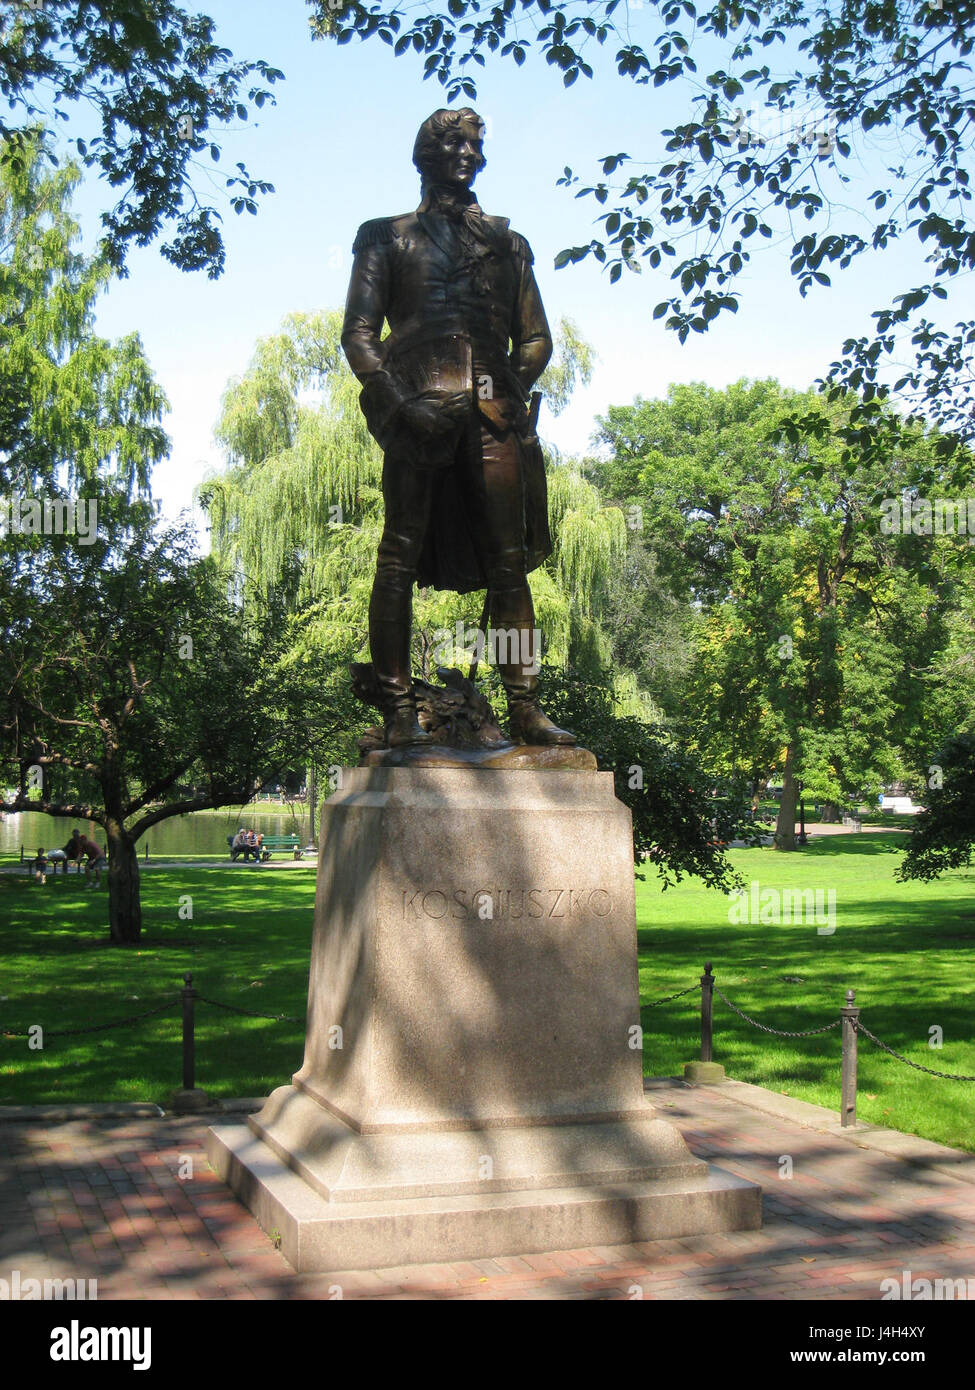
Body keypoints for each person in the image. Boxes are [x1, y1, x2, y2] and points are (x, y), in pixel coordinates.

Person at [342, 107, 575, 749]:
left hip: (494, 417)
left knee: (509, 565)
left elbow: (536, 338)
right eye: (452, 142)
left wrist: (511, 391)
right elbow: (359, 336)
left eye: (474, 144)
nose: (466, 153)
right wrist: (396, 403)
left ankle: (524, 708)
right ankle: (396, 711)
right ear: (424, 155)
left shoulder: (509, 244)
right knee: (398, 555)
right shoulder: (384, 236)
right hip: (416, 414)